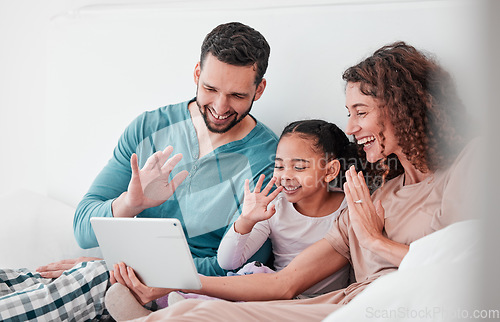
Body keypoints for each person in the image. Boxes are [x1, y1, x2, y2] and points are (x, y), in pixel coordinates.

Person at [106, 41, 477, 321]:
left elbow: (469, 266)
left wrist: (375, 241)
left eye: (361, 112)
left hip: (382, 308)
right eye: (349, 114)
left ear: (402, 108)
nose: (351, 128)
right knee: (188, 314)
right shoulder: (376, 193)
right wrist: (178, 283)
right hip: (341, 303)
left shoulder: (465, 168)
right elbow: (285, 283)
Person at [0, 21, 278, 322]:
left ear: (259, 89)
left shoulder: (267, 158)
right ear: (197, 73)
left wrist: (123, 269)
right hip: (112, 274)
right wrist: (131, 204)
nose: (220, 107)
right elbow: (82, 227)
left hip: (167, 293)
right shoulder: (149, 128)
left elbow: (240, 267)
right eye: (210, 89)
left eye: (237, 95)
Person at [138, 119, 360, 312]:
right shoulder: (276, 206)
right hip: (272, 291)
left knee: (249, 289)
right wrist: (246, 221)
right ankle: (173, 305)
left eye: (299, 168)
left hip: (317, 302)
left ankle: (186, 306)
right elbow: (227, 262)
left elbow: (287, 284)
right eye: (279, 166)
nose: (286, 176)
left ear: (330, 171)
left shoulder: (349, 210)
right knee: (249, 274)